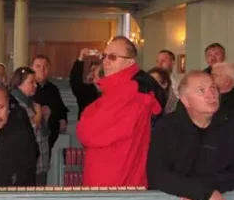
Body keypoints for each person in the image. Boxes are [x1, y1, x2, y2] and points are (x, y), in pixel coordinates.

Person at [148, 71, 234, 200]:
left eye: (213, 88)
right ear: (186, 101)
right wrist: (198, 191)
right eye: (201, 90)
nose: (211, 95)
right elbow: (157, 175)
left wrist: (202, 191)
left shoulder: (232, 124)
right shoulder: (166, 127)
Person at [77, 36, 162, 187]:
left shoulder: (130, 92)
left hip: (116, 185)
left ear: (130, 62)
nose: (105, 61)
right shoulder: (118, 90)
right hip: (111, 182)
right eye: (104, 56)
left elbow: (87, 133)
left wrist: (86, 119)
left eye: (113, 57)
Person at [10, 67, 49, 185]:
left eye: (35, 82)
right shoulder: (16, 104)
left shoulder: (30, 102)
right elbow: (29, 130)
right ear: (19, 84)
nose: (35, 85)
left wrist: (45, 117)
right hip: (29, 165)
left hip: (39, 162)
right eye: (31, 82)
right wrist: (38, 115)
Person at [32, 55, 68, 149]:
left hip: (50, 136)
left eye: (45, 66)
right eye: (38, 66)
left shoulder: (53, 89)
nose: (42, 69)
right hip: (32, 137)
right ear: (32, 68)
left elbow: (61, 108)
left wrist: (63, 119)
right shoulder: (28, 88)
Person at [69, 48, 101, 119]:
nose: (94, 73)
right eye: (93, 70)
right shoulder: (86, 90)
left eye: (98, 71)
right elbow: (75, 81)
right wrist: (81, 58)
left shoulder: (110, 90)